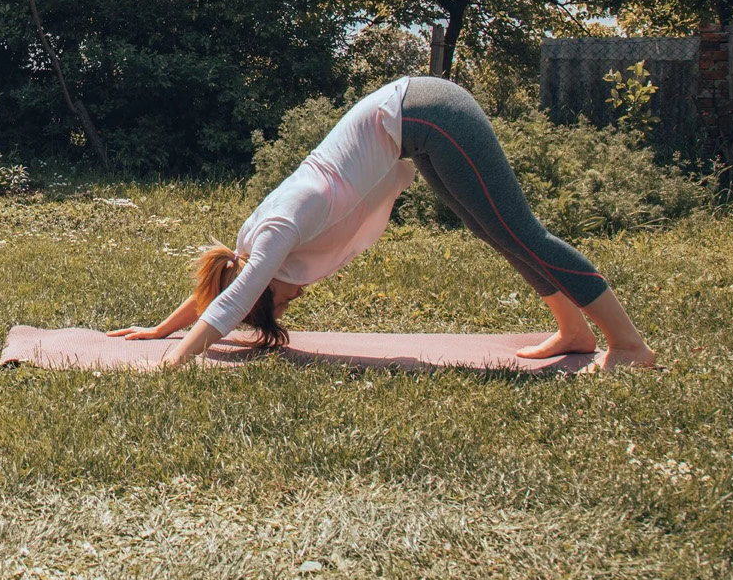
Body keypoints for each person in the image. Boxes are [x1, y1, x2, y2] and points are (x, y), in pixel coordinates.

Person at [108, 76, 655, 371]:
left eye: (287, 300)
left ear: (270, 287)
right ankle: (574, 331)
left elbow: (232, 301)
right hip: (413, 125)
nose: (301, 292)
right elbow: (226, 287)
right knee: (493, 230)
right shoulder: (252, 246)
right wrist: (161, 329)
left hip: (429, 115)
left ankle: (628, 344)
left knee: (520, 230)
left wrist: (171, 362)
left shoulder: (273, 238)